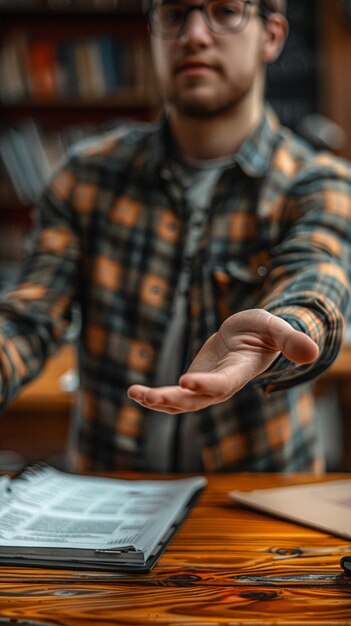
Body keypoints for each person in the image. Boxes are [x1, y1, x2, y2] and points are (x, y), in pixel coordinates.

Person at [0, 0, 350, 474]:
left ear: (271, 35)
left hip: (254, 510)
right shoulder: (87, 175)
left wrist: (284, 331)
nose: (195, 35)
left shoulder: (318, 182)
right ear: (153, 32)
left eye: (225, 11)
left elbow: (316, 282)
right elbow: (29, 316)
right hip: (105, 501)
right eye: (175, 14)